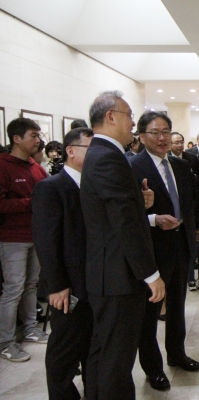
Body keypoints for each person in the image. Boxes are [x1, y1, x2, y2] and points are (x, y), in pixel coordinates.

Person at [130, 111, 199, 391]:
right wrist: (151, 218)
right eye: (156, 132)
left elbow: (197, 195)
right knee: (150, 314)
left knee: (177, 307)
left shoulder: (179, 165)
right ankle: (153, 369)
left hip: (182, 245)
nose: (163, 137)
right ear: (141, 136)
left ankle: (177, 354)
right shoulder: (132, 168)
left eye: (166, 131)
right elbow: (124, 217)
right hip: (151, 250)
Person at [80, 90, 165, 400]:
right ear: (111, 117)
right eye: (129, 114)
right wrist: (151, 274)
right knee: (116, 359)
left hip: (109, 274)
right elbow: (124, 223)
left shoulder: (104, 154)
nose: (132, 121)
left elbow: (118, 210)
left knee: (104, 353)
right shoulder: (107, 157)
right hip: (117, 276)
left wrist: (139, 202)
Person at [32, 127, 95, 400]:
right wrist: (57, 286)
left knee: (92, 349)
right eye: (90, 150)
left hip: (95, 282)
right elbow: (46, 243)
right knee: (64, 352)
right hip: (68, 287)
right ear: (71, 151)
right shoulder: (51, 187)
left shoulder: (94, 185)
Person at [0, 118, 49, 363]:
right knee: (13, 289)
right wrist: (31, 203)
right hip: (13, 239)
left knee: (31, 285)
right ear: (16, 138)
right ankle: (6, 341)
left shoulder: (34, 166)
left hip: (36, 235)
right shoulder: (3, 166)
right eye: (33, 135)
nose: (37, 140)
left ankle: (30, 327)